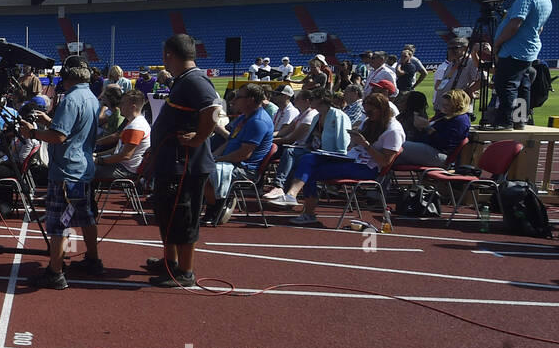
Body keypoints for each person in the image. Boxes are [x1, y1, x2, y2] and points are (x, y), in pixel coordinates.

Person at [142, 34, 220, 289]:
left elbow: (212, 109)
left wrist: (198, 138)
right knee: (168, 214)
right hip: (172, 163)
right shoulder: (183, 81)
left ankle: (185, 271)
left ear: (169, 55)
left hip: (185, 164)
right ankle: (170, 261)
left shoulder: (195, 80)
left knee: (184, 216)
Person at [17, 58, 102, 289]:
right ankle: (93, 260)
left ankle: (55, 272)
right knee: (86, 216)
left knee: (57, 223)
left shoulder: (71, 99)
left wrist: (33, 133)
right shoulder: (92, 97)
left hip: (66, 170)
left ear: (68, 76)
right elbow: (71, 129)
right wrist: (50, 121)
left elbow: (59, 137)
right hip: (83, 168)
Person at [271, 92, 404, 225]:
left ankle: (307, 212)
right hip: (351, 158)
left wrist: (365, 144)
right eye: (366, 112)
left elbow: (385, 161)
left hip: (368, 168)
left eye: (370, 112)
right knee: (308, 158)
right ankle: (291, 195)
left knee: (311, 171)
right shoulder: (370, 122)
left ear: (382, 110)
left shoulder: (393, 130)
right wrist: (354, 141)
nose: (368, 115)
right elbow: (355, 144)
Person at [202, 84, 273, 226]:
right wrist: (211, 157)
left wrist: (217, 160)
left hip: (245, 168)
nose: (234, 100)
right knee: (200, 165)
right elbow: (229, 142)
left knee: (204, 173)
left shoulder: (257, 122)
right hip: (230, 162)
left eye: (239, 97)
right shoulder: (243, 118)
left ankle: (215, 207)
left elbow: (243, 155)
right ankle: (215, 202)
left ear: (250, 100)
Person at [493, 0, 553, 129]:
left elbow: (515, 25)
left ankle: (506, 121)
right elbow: (540, 28)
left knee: (505, 84)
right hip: (529, 49)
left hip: (515, 49)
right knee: (523, 85)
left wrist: (497, 42)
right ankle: (520, 119)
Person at [399, 90, 472, 167]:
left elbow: (444, 143)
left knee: (397, 145)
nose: (443, 107)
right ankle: (385, 178)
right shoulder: (444, 115)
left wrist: (428, 128)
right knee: (391, 155)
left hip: (440, 154)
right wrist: (420, 128)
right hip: (427, 148)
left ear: (457, 105)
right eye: (443, 105)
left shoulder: (460, 120)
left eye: (447, 105)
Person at [93, 91, 150, 184]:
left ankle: (82, 198)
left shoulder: (136, 127)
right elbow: (118, 150)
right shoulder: (134, 123)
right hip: (123, 167)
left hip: (126, 171)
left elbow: (125, 156)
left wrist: (98, 161)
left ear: (133, 107)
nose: (119, 106)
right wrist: (97, 155)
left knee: (84, 169)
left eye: (123, 103)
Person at [433, 37, 483, 115]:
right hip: (443, 107)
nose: (451, 51)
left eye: (455, 48)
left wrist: (469, 91)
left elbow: (483, 79)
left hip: (457, 107)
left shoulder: (472, 62)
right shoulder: (452, 63)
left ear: (465, 48)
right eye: (449, 48)